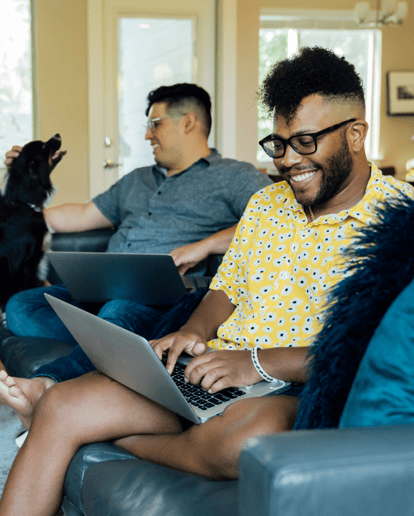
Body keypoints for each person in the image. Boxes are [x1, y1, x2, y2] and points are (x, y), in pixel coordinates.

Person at [0, 47, 412, 516]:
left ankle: (134, 438)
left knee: (247, 439)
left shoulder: (401, 223)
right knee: (62, 407)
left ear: (356, 133)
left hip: (295, 382)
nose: (288, 160)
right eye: (277, 144)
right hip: (213, 368)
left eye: (304, 142)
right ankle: (148, 420)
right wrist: (193, 333)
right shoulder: (266, 207)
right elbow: (227, 288)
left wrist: (256, 363)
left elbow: (374, 352)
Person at [4, 83, 272, 343]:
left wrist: (204, 246)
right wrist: (24, 178)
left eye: (155, 124)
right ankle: (110, 341)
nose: (147, 135)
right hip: (102, 289)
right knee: (20, 306)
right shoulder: (136, 179)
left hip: (163, 300)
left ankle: (62, 370)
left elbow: (275, 216)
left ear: (188, 123)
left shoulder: (233, 175)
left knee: (116, 312)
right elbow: (83, 214)